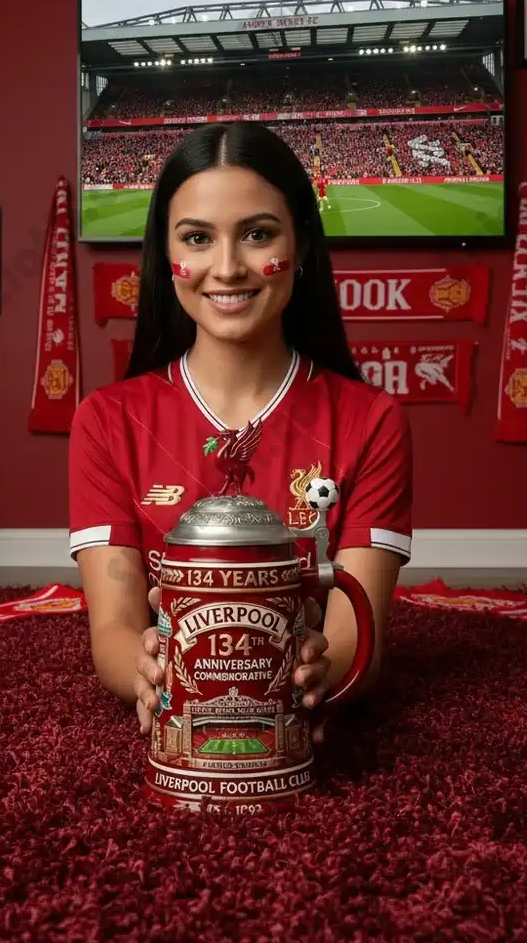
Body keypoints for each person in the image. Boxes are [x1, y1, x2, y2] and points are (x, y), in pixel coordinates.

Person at [69, 121, 412, 743]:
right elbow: (114, 632)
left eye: (257, 235)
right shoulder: (106, 420)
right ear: (165, 256)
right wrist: (147, 673)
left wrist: (317, 673)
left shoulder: (373, 420)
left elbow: (358, 636)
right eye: (196, 238)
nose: (226, 268)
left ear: (301, 245)